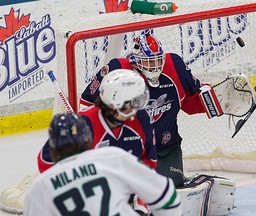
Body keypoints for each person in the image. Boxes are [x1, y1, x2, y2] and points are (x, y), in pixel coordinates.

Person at [0, 69, 157, 214]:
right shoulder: (82, 125)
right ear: (114, 102)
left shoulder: (142, 120)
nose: (136, 108)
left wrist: (140, 196)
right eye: (132, 103)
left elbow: (148, 163)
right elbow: (45, 162)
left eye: (139, 101)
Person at [80, 34, 210, 187]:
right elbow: (88, 102)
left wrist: (217, 100)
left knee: (172, 188)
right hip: (128, 148)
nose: (154, 66)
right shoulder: (118, 71)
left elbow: (194, 100)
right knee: (126, 191)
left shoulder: (174, 65)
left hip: (166, 146)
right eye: (149, 61)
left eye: (157, 60)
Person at [23, 113, 182, 216]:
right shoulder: (111, 157)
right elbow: (166, 194)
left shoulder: (39, 187)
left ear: (51, 146)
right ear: (88, 138)